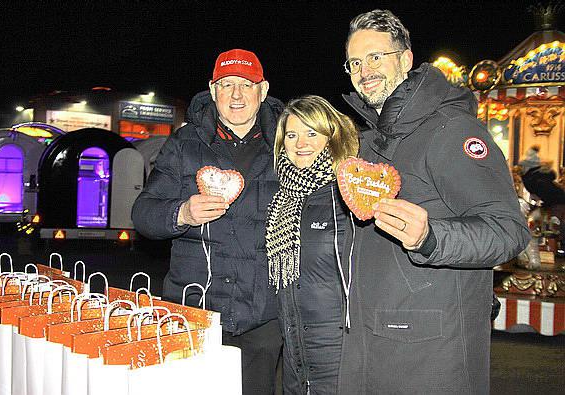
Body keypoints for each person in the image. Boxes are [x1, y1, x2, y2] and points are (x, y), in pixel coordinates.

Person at [336, 10, 530, 393]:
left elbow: (508, 231)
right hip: (368, 340)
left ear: (406, 59)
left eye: (376, 56)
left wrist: (431, 237)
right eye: (355, 62)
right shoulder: (368, 142)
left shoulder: (450, 130)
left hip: (428, 356)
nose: (365, 69)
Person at [132, 48, 283, 394]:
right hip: (194, 312)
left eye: (246, 84)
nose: (236, 95)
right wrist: (181, 213)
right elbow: (143, 213)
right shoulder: (184, 144)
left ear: (263, 90)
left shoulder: (287, 146)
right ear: (213, 90)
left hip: (262, 319)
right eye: (227, 84)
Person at [266, 95, 359, 394]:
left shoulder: (350, 192)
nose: (300, 143)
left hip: (340, 351)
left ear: (331, 137)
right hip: (294, 351)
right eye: (292, 135)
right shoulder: (282, 197)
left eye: (311, 133)